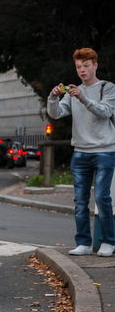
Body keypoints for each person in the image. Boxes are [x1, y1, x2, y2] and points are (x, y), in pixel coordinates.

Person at [47, 48, 115, 257]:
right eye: (78, 67)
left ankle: (108, 242)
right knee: (79, 201)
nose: (82, 70)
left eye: (86, 65)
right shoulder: (73, 91)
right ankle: (83, 243)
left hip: (105, 150)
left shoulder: (108, 87)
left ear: (95, 65)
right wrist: (53, 97)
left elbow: (106, 112)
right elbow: (56, 114)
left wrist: (83, 98)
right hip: (80, 153)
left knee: (103, 197)